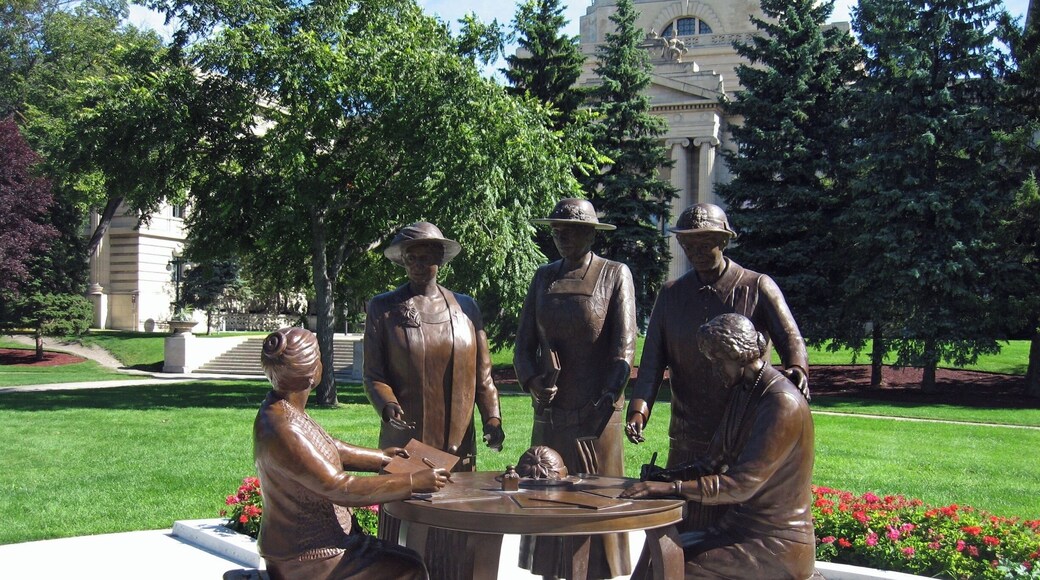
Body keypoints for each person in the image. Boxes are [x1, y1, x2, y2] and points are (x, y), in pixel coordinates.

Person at [625, 203, 808, 530]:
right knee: (681, 526)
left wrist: (797, 368)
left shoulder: (755, 286)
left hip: (742, 429)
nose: (695, 251)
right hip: (688, 432)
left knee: (733, 526)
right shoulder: (670, 295)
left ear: (723, 241)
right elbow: (652, 362)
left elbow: (790, 336)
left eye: (705, 243)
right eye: (689, 244)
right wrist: (639, 410)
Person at [621, 313, 815, 579]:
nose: (714, 371)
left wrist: (670, 489)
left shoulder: (781, 403)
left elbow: (741, 485)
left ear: (737, 355)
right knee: (657, 553)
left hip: (776, 542)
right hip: (738, 528)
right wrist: (664, 476)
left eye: (717, 362)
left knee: (674, 566)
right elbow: (711, 462)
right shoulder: (744, 392)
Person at [363, 221, 504, 579]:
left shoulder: (467, 308)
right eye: (411, 257)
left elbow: (483, 375)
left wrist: (492, 419)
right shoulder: (384, 309)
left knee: (456, 530)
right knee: (409, 532)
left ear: (440, 259)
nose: (418, 264)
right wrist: (387, 404)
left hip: (457, 441)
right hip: (408, 443)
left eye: (426, 257)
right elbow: (374, 375)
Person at [253, 327, 450, 580]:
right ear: (312, 374)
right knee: (410, 568)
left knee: (407, 558)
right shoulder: (285, 429)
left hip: (312, 543)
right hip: (305, 555)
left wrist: (383, 457)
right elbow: (340, 488)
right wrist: (414, 482)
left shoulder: (283, 410)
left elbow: (332, 446)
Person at [514, 198, 637, 579]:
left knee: (595, 502)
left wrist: (610, 391)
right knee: (547, 496)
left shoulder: (615, 274)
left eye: (571, 230)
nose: (562, 236)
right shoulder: (542, 278)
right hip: (551, 414)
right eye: (556, 230)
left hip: (597, 415)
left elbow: (625, 345)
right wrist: (534, 382)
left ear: (590, 233)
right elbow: (523, 345)